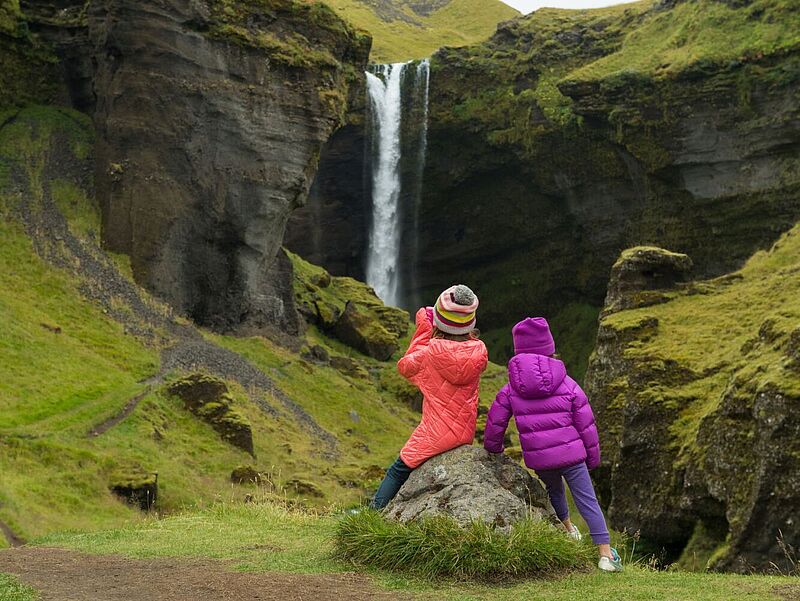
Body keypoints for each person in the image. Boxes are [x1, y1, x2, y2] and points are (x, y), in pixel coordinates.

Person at [483, 317, 622, 572]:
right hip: (572, 454)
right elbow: (586, 424)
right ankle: (605, 555)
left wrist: (494, 448)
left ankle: (568, 529)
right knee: (587, 500)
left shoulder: (511, 387)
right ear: (549, 347)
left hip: (540, 458)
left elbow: (496, 421)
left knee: (554, 492)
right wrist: (593, 458)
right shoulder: (567, 383)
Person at [370, 284, 488, 509]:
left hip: (436, 433)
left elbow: (405, 366)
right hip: (465, 430)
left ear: (439, 322)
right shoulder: (479, 352)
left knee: (398, 469)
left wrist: (424, 329)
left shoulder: (429, 353)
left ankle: (372, 514)